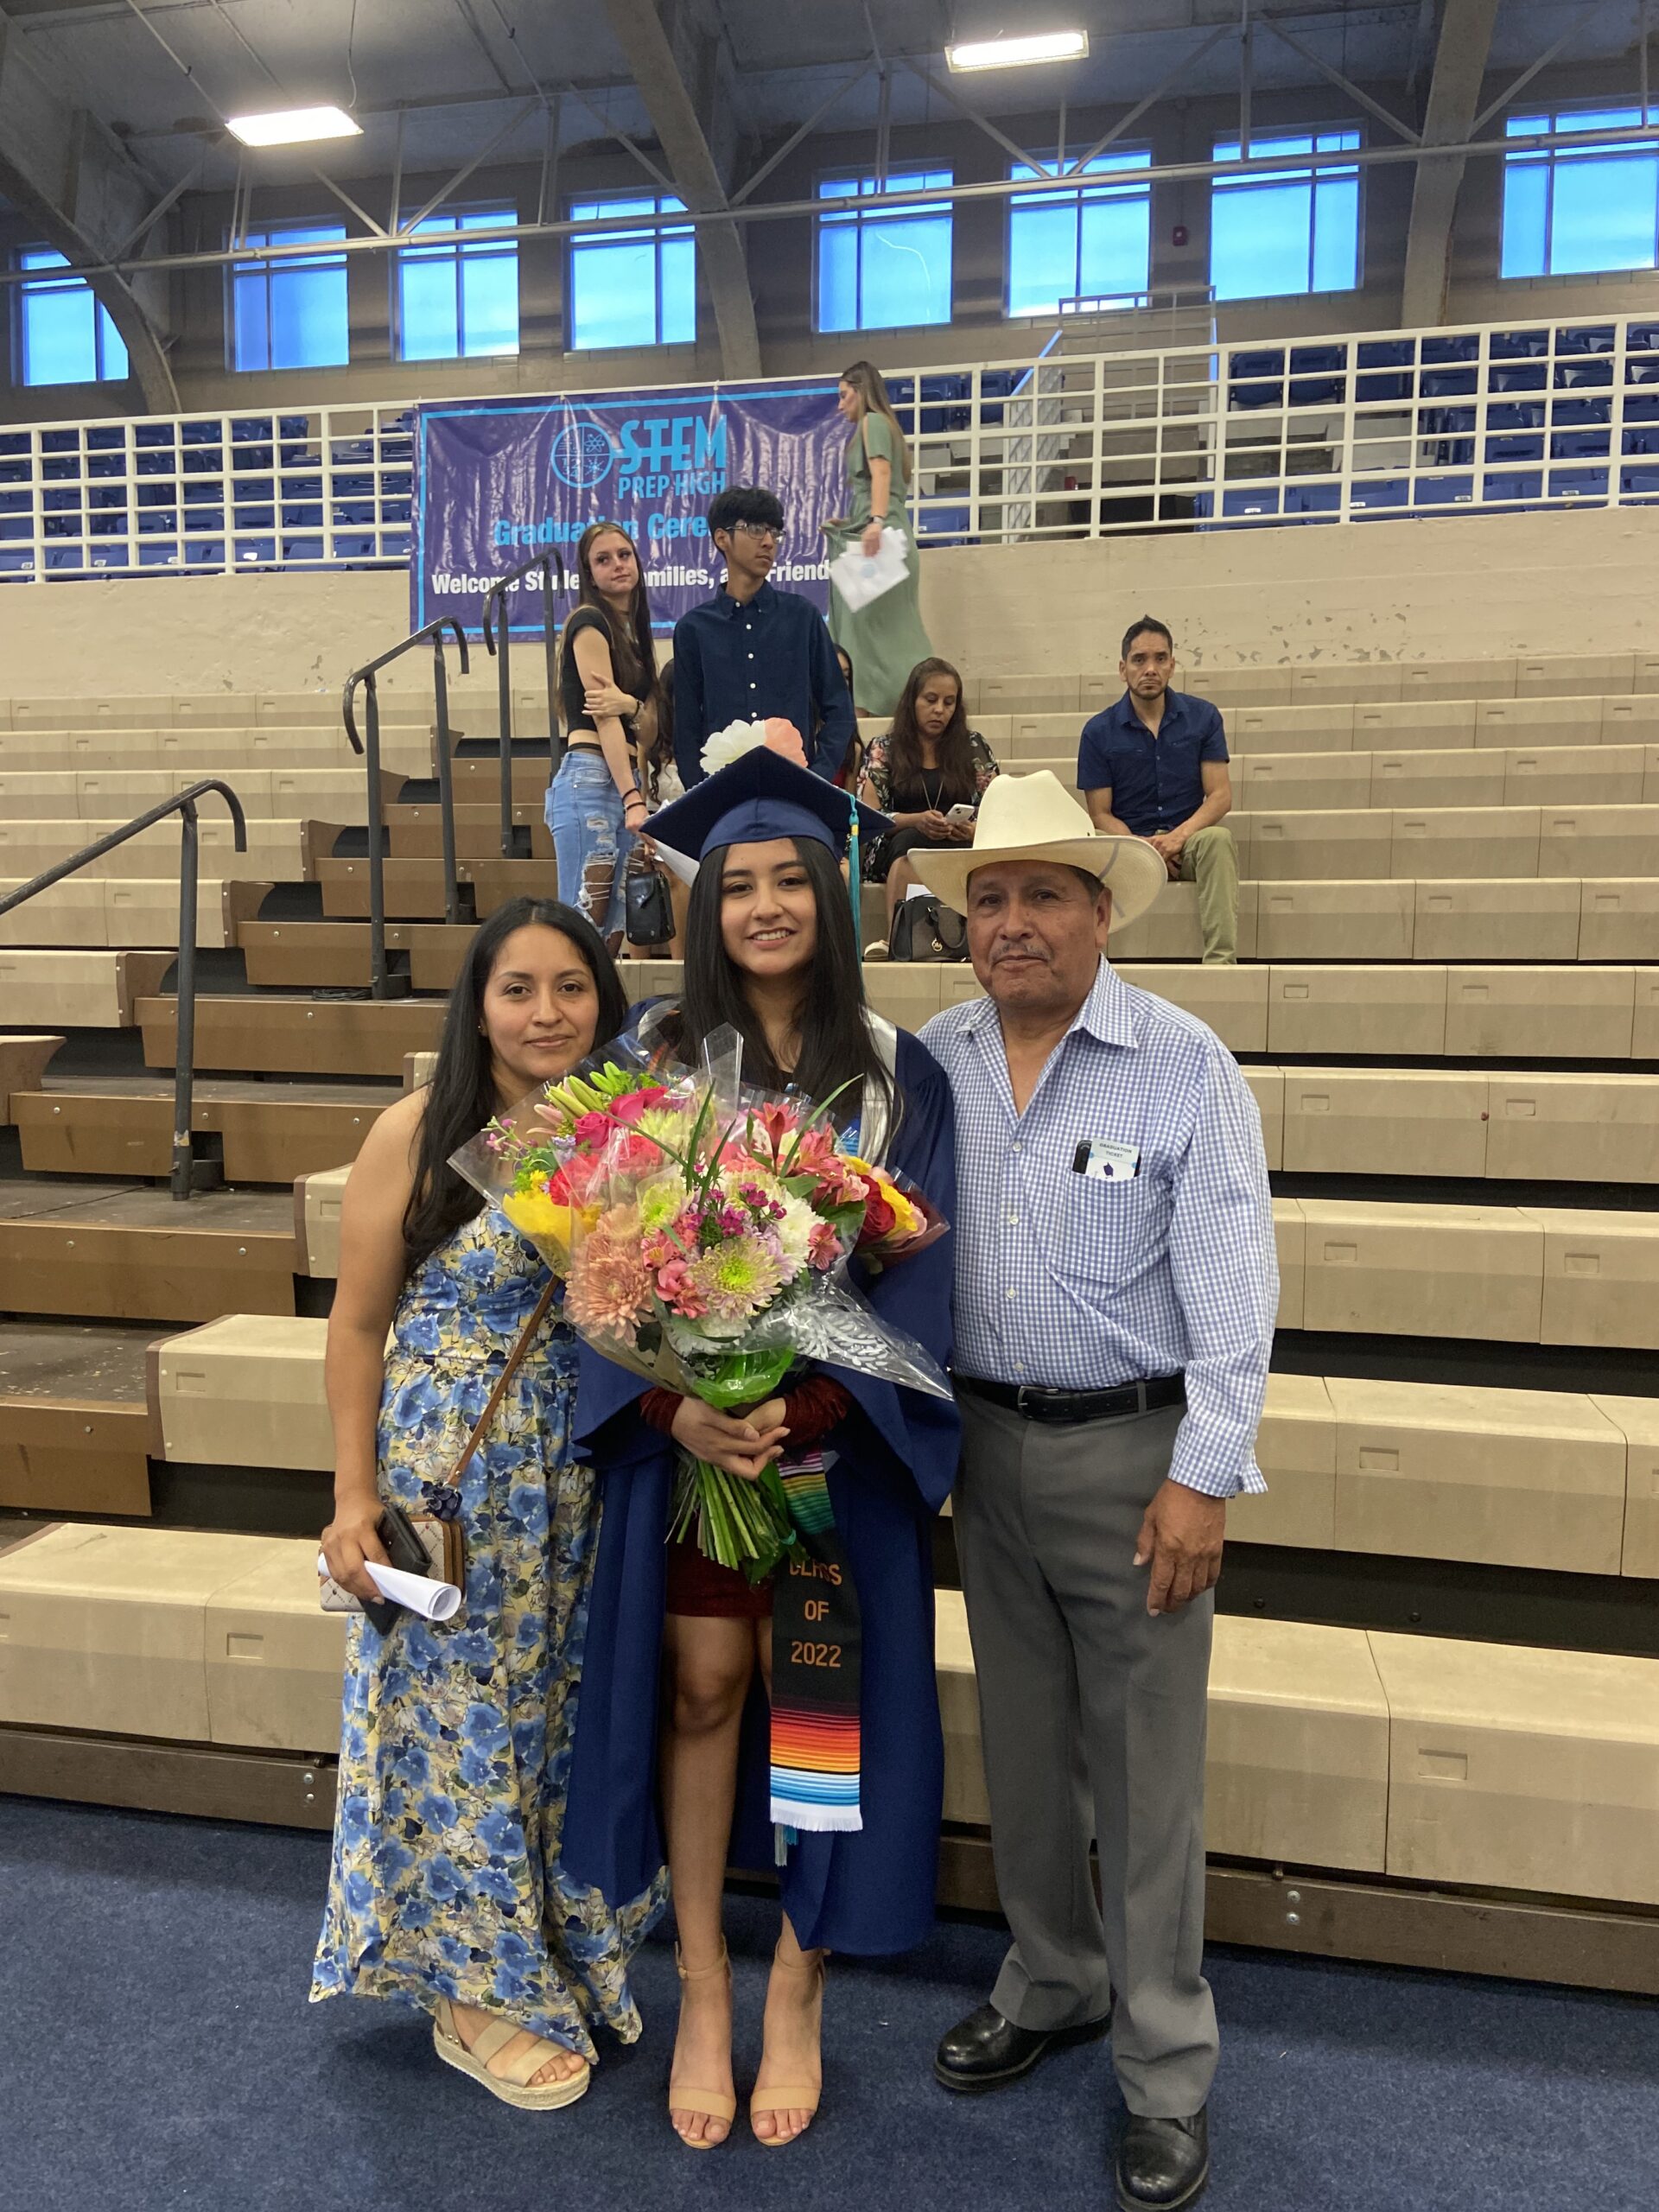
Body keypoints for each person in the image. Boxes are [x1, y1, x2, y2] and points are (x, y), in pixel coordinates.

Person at [561, 747, 959, 2154]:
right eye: (740, 884)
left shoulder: (898, 1071)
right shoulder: (655, 1057)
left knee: (819, 1709)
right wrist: (680, 1407)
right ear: (707, 905)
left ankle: (800, 1981)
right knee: (705, 1690)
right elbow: (600, 1269)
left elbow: (921, 1269)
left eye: (794, 880)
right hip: (695, 1453)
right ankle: (704, 1986)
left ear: (831, 900)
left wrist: (814, 1408)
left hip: (836, 1451)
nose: (768, 905)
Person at [912, 772, 1277, 2212]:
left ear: (1103, 911)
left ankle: (1166, 2064)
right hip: (984, 1449)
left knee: (1144, 1774)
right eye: (990, 898)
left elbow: (1235, 1283)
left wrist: (1204, 1473)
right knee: (1021, 1741)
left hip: (1135, 1459)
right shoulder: (932, 1061)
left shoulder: (1183, 1064)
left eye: (1045, 895)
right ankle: (1054, 1978)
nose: (1013, 922)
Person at [313, 899, 666, 2107]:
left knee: (562, 1718)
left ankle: (557, 1952)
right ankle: (470, 1991)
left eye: (572, 987)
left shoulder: (630, 1135)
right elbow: (357, 1324)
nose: (546, 1013)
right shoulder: (417, 1130)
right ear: (477, 1006)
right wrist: (352, 1496)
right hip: (451, 1472)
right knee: (454, 1726)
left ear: (604, 1003)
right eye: (518, 988)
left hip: (588, 1465)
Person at [1077, 618, 1239, 966]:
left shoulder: (1204, 717)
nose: (1150, 669)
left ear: (1172, 665)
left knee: (1218, 840)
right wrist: (1143, 849)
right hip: (1128, 845)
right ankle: (1092, 966)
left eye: (1160, 658)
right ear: (1123, 669)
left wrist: (1176, 839)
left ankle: (1221, 964)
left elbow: (1220, 796)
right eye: (1139, 660)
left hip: (1187, 842)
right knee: (1091, 841)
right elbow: (1100, 813)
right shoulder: (1097, 731)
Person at [672, 486, 853, 787]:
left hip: (794, 788)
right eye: (756, 529)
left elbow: (839, 710)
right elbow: (686, 728)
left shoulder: (803, 617)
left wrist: (816, 778)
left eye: (775, 532)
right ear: (722, 538)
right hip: (723, 791)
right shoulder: (694, 629)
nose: (769, 542)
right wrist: (701, 791)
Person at [545, 521, 660, 950]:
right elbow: (604, 719)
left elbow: (651, 728)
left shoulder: (636, 634)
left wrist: (629, 704)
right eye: (603, 560)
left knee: (614, 929)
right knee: (585, 921)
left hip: (625, 775)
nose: (618, 565)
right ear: (589, 575)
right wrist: (633, 798)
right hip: (592, 776)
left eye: (624, 555)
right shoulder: (589, 621)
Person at [860, 657, 1001, 936]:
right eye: (931, 700)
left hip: (961, 840)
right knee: (910, 844)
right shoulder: (884, 748)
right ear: (912, 701)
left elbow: (998, 807)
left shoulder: (973, 746)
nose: (939, 710)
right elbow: (870, 816)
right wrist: (916, 821)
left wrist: (973, 829)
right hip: (901, 841)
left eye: (949, 703)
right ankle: (901, 940)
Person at [824, 361, 935, 717]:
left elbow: (882, 472)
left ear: (862, 391)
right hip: (885, 532)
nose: (840, 405)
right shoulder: (883, 426)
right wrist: (853, 521)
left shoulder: (872, 423)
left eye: (844, 395)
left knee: (864, 626)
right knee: (878, 628)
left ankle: (879, 703)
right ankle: (907, 697)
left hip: (882, 537)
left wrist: (874, 522)